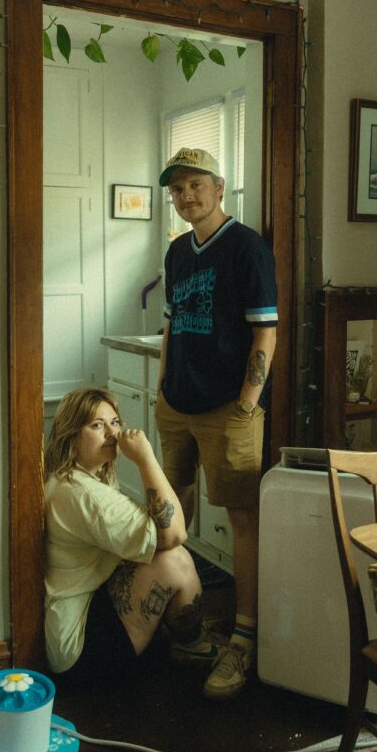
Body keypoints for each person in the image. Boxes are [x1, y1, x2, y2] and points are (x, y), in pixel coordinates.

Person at [155, 147, 277, 700]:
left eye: (195, 185)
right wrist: (162, 386)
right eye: (177, 189)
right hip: (176, 403)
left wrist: (247, 404)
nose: (185, 197)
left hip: (229, 408)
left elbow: (265, 333)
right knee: (170, 515)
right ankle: (187, 626)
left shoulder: (247, 247)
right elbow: (171, 326)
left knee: (243, 521)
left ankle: (244, 638)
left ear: (220, 186)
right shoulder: (178, 251)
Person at [43, 387, 226, 690]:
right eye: (96, 425)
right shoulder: (87, 496)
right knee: (174, 560)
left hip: (66, 629)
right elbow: (175, 533)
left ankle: (179, 638)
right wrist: (146, 459)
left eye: (114, 422)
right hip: (80, 654)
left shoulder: (67, 476)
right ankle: (192, 645)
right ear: (71, 434)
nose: (113, 433)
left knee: (151, 553)